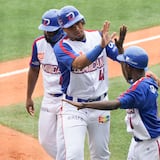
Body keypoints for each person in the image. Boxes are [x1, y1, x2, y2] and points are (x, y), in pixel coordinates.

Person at [53, 5, 127, 160]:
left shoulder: (98, 35)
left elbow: (122, 60)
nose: (77, 28)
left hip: (100, 106)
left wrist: (120, 49)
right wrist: (101, 47)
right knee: (74, 156)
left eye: (79, 23)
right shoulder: (61, 47)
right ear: (63, 30)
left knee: (101, 155)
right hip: (73, 108)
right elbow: (79, 63)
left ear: (83, 21)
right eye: (71, 27)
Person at [63, 46, 160, 160]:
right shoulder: (146, 81)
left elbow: (114, 104)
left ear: (128, 67)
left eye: (123, 63)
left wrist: (85, 105)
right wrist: (120, 49)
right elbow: (129, 79)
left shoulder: (138, 90)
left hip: (149, 147)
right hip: (137, 143)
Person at [25, 9, 64, 159]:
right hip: (49, 98)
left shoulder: (70, 44)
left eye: (51, 32)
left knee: (63, 140)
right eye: (45, 31)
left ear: (61, 29)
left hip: (67, 99)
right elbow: (34, 69)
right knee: (45, 140)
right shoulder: (39, 44)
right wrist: (29, 97)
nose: (47, 34)